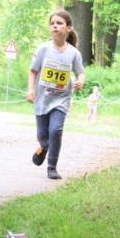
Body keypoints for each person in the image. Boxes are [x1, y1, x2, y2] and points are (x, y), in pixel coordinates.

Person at [27, 10, 86, 180]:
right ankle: (43, 148)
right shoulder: (43, 49)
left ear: (68, 28)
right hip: (42, 98)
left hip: (61, 99)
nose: (55, 25)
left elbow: (80, 72)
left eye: (60, 23)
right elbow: (33, 71)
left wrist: (80, 81)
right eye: (52, 23)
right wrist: (30, 90)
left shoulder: (74, 53)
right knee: (44, 137)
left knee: (56, 130)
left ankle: (52, 167)